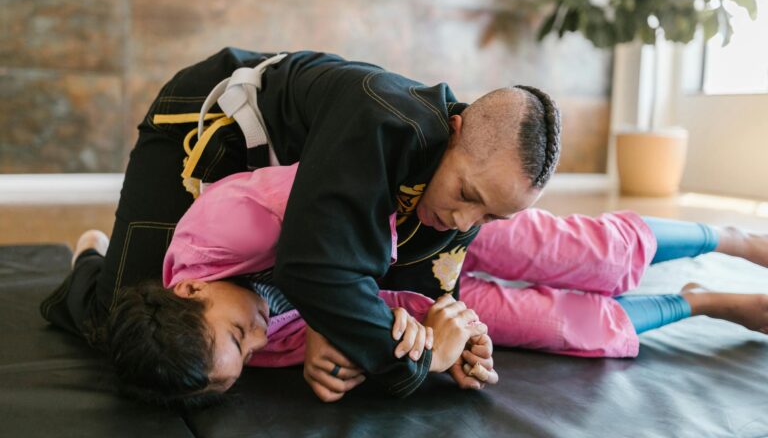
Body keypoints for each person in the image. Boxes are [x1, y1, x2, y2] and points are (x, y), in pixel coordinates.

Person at [40, 48, 561, 398]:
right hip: (210, 123)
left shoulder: (469, 183)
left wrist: (458, 343)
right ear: (453, 130)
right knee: (121, 320)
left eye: (491, 215)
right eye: (468, 196)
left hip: (269, 199)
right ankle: (91, 258)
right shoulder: (379, 123)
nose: (463, 220)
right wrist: (409, 361)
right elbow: (314, 270)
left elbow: (414, 299)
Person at [92, 162, 768, 407]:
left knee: (587, 254)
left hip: (430, 225)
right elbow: (370, 333)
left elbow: (346, 197)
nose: (261, 338)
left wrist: (331, 310)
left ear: (188, 291)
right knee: (560, 328)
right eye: (245, 359)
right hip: (422, 295)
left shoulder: (223, 224)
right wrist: (350, 365)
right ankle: (700, 302)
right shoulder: (235, 349)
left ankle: (728, 238)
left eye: (240, 331)